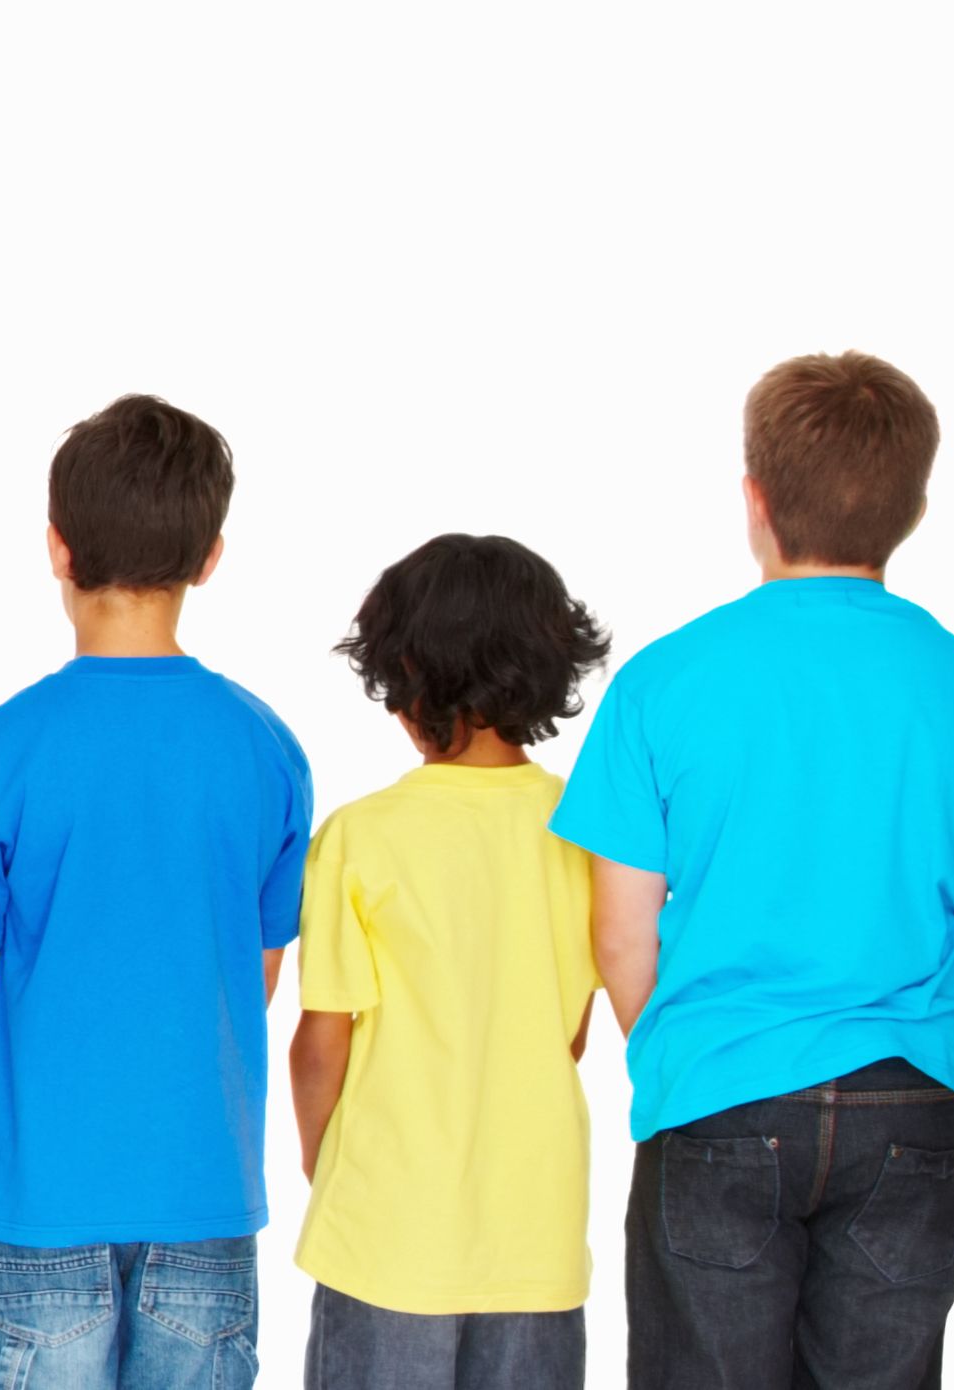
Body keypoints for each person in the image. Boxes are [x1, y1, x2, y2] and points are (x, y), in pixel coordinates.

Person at [547, 352, 954, 1390]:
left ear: (753, 500)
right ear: (912, 505)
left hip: (718, 1092)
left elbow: (620, 933)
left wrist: (696, 1051)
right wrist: (920, 1039)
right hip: (912, 1100)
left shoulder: (662, 681)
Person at [0, 392, 311, 1390]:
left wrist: (23, 1126)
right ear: (209, 554)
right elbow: (246, 976)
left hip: (41, 1194)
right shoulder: (265, 749)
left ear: (54, 546)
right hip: (203, 1192)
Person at [286, 536, 612, 1390]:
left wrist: (327, 1167)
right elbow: (568, 1033)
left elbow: (321, 1040)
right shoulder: (584, 835)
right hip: (534, 1235)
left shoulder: (360, 837)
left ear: (404, 675)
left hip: (387, 1232)